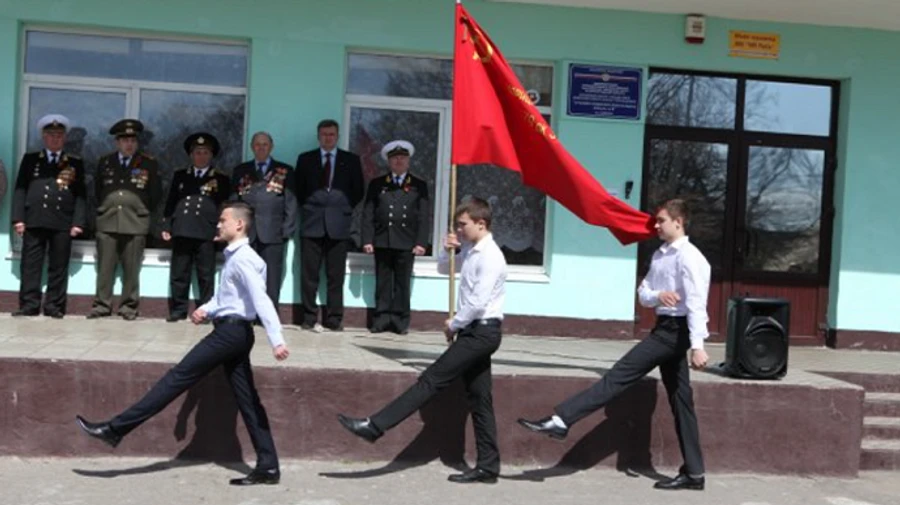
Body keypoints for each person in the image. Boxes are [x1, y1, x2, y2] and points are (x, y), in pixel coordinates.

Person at [76, 201, 291, 486]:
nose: (218, 224)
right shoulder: (236, 257)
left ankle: (115, 429)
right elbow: (232, 298)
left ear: (239, 225)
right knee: (248, 402)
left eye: (223, 220)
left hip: (230, 335)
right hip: (235, 332)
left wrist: (276, 339)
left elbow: (260, 299)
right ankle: (269, 466)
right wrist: (207, 309)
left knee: (177, 378)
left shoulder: (243, 259)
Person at [518, 199, 711, 491]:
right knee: (681, 400)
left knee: (618, 376)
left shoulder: (690, 257)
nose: (655, 225)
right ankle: (695, 473)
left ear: (679, 222)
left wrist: (698, 345)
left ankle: (562, 419)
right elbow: (643, 293)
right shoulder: (661, 254)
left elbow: (696, 303)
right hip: (665, 327)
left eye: (660, 221)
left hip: (675, 333)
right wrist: (659, 295)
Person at [338, 197, 507, 484]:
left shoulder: (491, 256)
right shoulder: (471, 250)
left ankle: (375, 426)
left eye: (463, 225)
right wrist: (447, 250)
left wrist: (454, 323)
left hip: (482, 331)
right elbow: (445, 269)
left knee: (431, 380)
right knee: (480, 400)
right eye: (457, 225)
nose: (459, 229)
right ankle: (489, 467)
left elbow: (478, 303)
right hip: (473, 330)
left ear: (481, 223)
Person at [11, 114, 86, 318]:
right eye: (51, 135)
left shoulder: (74, 163)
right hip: (34, 220)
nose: (55, 139)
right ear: (44, 137)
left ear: (65, 139)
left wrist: (78, 222)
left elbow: (81, 196)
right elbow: (20, 190)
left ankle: (54, 306)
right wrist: (18, 219)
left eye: (59, 135)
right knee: (30, 265)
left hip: (62, 222)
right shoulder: (31, 159)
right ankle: (29, 304)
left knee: (59, 266)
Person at [88, 119, 163, 321]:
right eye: (124, 140)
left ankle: (129, 306)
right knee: (105, 268)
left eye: (132, 140)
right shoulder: (105, 162)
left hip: (135, 222)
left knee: (131, 269)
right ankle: (102, 305)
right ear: (117, 143)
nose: (129, 144)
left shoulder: (149, 163)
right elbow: (97, 191)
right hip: (108, 220)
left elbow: (155, 194)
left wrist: (140, 209)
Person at [294, 119, 364, 331]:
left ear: (338, 136)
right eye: (324, 134)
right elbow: (299, 189)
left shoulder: (350, 160)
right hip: (312, 223)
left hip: (339, 224)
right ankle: (308, 317)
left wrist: (339, 207)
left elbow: (358, 190)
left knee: (335, 276)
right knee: (309, 275)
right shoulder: (305, 159)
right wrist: (315, 206)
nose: (328, 138)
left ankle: (334, 318)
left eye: (332, 134)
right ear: (318, 136)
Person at [361, 140, 430, 334]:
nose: (398, 161)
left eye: (402, 158)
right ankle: (381, 319)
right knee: (382, 282)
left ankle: (400, 321)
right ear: (389, 162)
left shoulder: (418, 185)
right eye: (395, 158)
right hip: (383, 240)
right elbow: (368, 213)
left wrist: (421, 242)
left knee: (402, 283)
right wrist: (367, 239)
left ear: (408, 161)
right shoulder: (378, 184)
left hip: (406, 242)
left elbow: (424, 216)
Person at [161, 133, 232, 322]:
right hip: (182, 229)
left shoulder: (221, 178)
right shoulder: (180, 175)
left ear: (211, 155)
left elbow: (225, 207)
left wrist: (221, 230)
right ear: (191, 155)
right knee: (179, 272)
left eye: (205, 152)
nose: (201, 156)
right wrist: (167, 225)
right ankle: (178, 310)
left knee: (206, 274)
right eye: (198, 152)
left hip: (206, 231)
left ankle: (205, 310)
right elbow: (171, 202)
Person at [231, 131, 298, 309]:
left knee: (272, 276)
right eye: (257, 144)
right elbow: (234, 202)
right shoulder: (241, 170)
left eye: (265, 144)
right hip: (246, 233)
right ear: (252, 147)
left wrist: (287, 230)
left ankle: (267, 313)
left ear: (271, 147)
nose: (261, 148)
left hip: (273, 233)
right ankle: (247, 312)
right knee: (246, 274)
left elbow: (290, 202)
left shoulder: (284, 171)